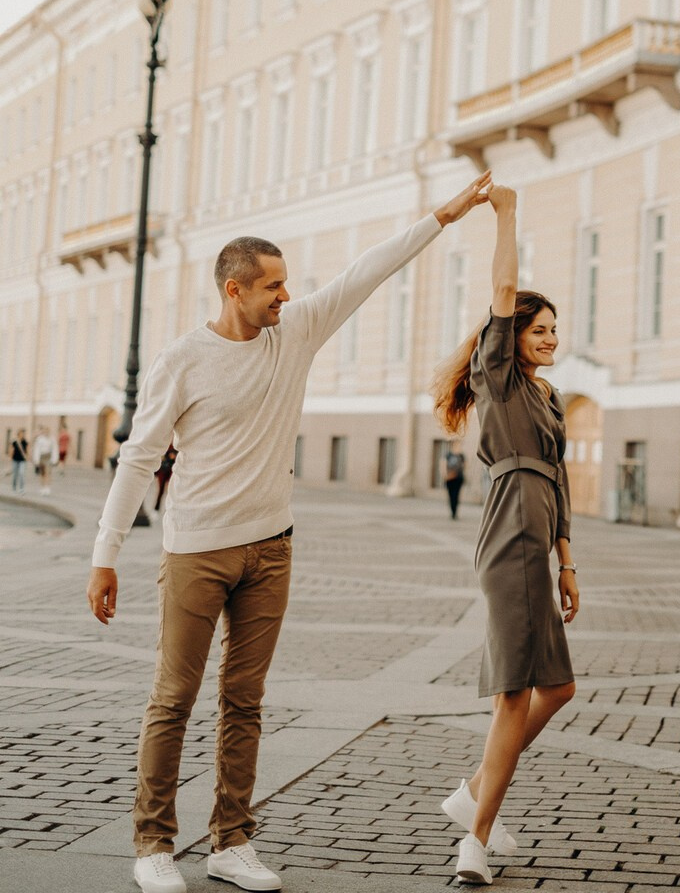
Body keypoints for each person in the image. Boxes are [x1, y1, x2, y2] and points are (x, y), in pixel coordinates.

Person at [86, 171, 491, 893]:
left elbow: (367, 271)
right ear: (233, 290)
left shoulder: (295, 330)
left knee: (244, 701)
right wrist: (104, 555)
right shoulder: (184, 359)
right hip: (196, 551)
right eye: (272, 285)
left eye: (286, 283)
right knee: (173, 698)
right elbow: (139, 457)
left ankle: (230, 842)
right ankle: (152, 843)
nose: (286, 295)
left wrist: (444, 216)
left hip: (271, 548)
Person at [432, 184, 579, 886]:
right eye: (539, 329)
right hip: (508, 534)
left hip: (539, 535)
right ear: (511, 337)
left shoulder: (550, 398)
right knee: (516, 696)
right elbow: (504, 282)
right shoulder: (498, 379)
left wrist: (569, 562)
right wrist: (507, 213)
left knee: (558, 688)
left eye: (554, 330)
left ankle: (472, 796)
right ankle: (475, 842)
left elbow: (560, 478)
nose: (550, 339)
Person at [31, 425, 58, 496]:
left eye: (47, 431)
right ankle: (42, 487)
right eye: (45, 431)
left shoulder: (52, 439)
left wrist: (54, 459)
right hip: (41, 457)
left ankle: (47, 487)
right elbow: (37, 449)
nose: (46, 432)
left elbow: (54, 449)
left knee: (48, 472)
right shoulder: (39, 439)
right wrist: (36, 459)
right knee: (42, 473)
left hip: (48, 456)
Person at [443, 440, 466, 519]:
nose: (458, 447)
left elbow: (465, 465)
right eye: (457, 445)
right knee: (451, 495)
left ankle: (454, 512)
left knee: (456, 495)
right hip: (450, 478)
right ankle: (452, 510)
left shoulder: (461, 455)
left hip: (458, 478)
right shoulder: (448, 455)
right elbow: (443, 465)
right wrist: (445, 475)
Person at [152, 443, 177, 516]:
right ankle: (156, 508)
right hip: (163, 470)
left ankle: (169, 509)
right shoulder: (166, 444)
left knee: (172, 489)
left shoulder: (177, 444)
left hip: (172, 470)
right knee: (161, 490)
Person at [9, 430, 28, 494]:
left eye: (23, 433)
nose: (23, 435)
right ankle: (14, 487)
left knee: (21, 474)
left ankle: (21, 488)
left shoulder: (25, 442)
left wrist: (27, 457)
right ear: (18, 434)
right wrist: (11, 458)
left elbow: (27, 451)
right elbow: (11, 450)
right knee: (15, 475)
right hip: (15, 460)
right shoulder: (14, 442)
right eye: (21, 433)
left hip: (22, 460)